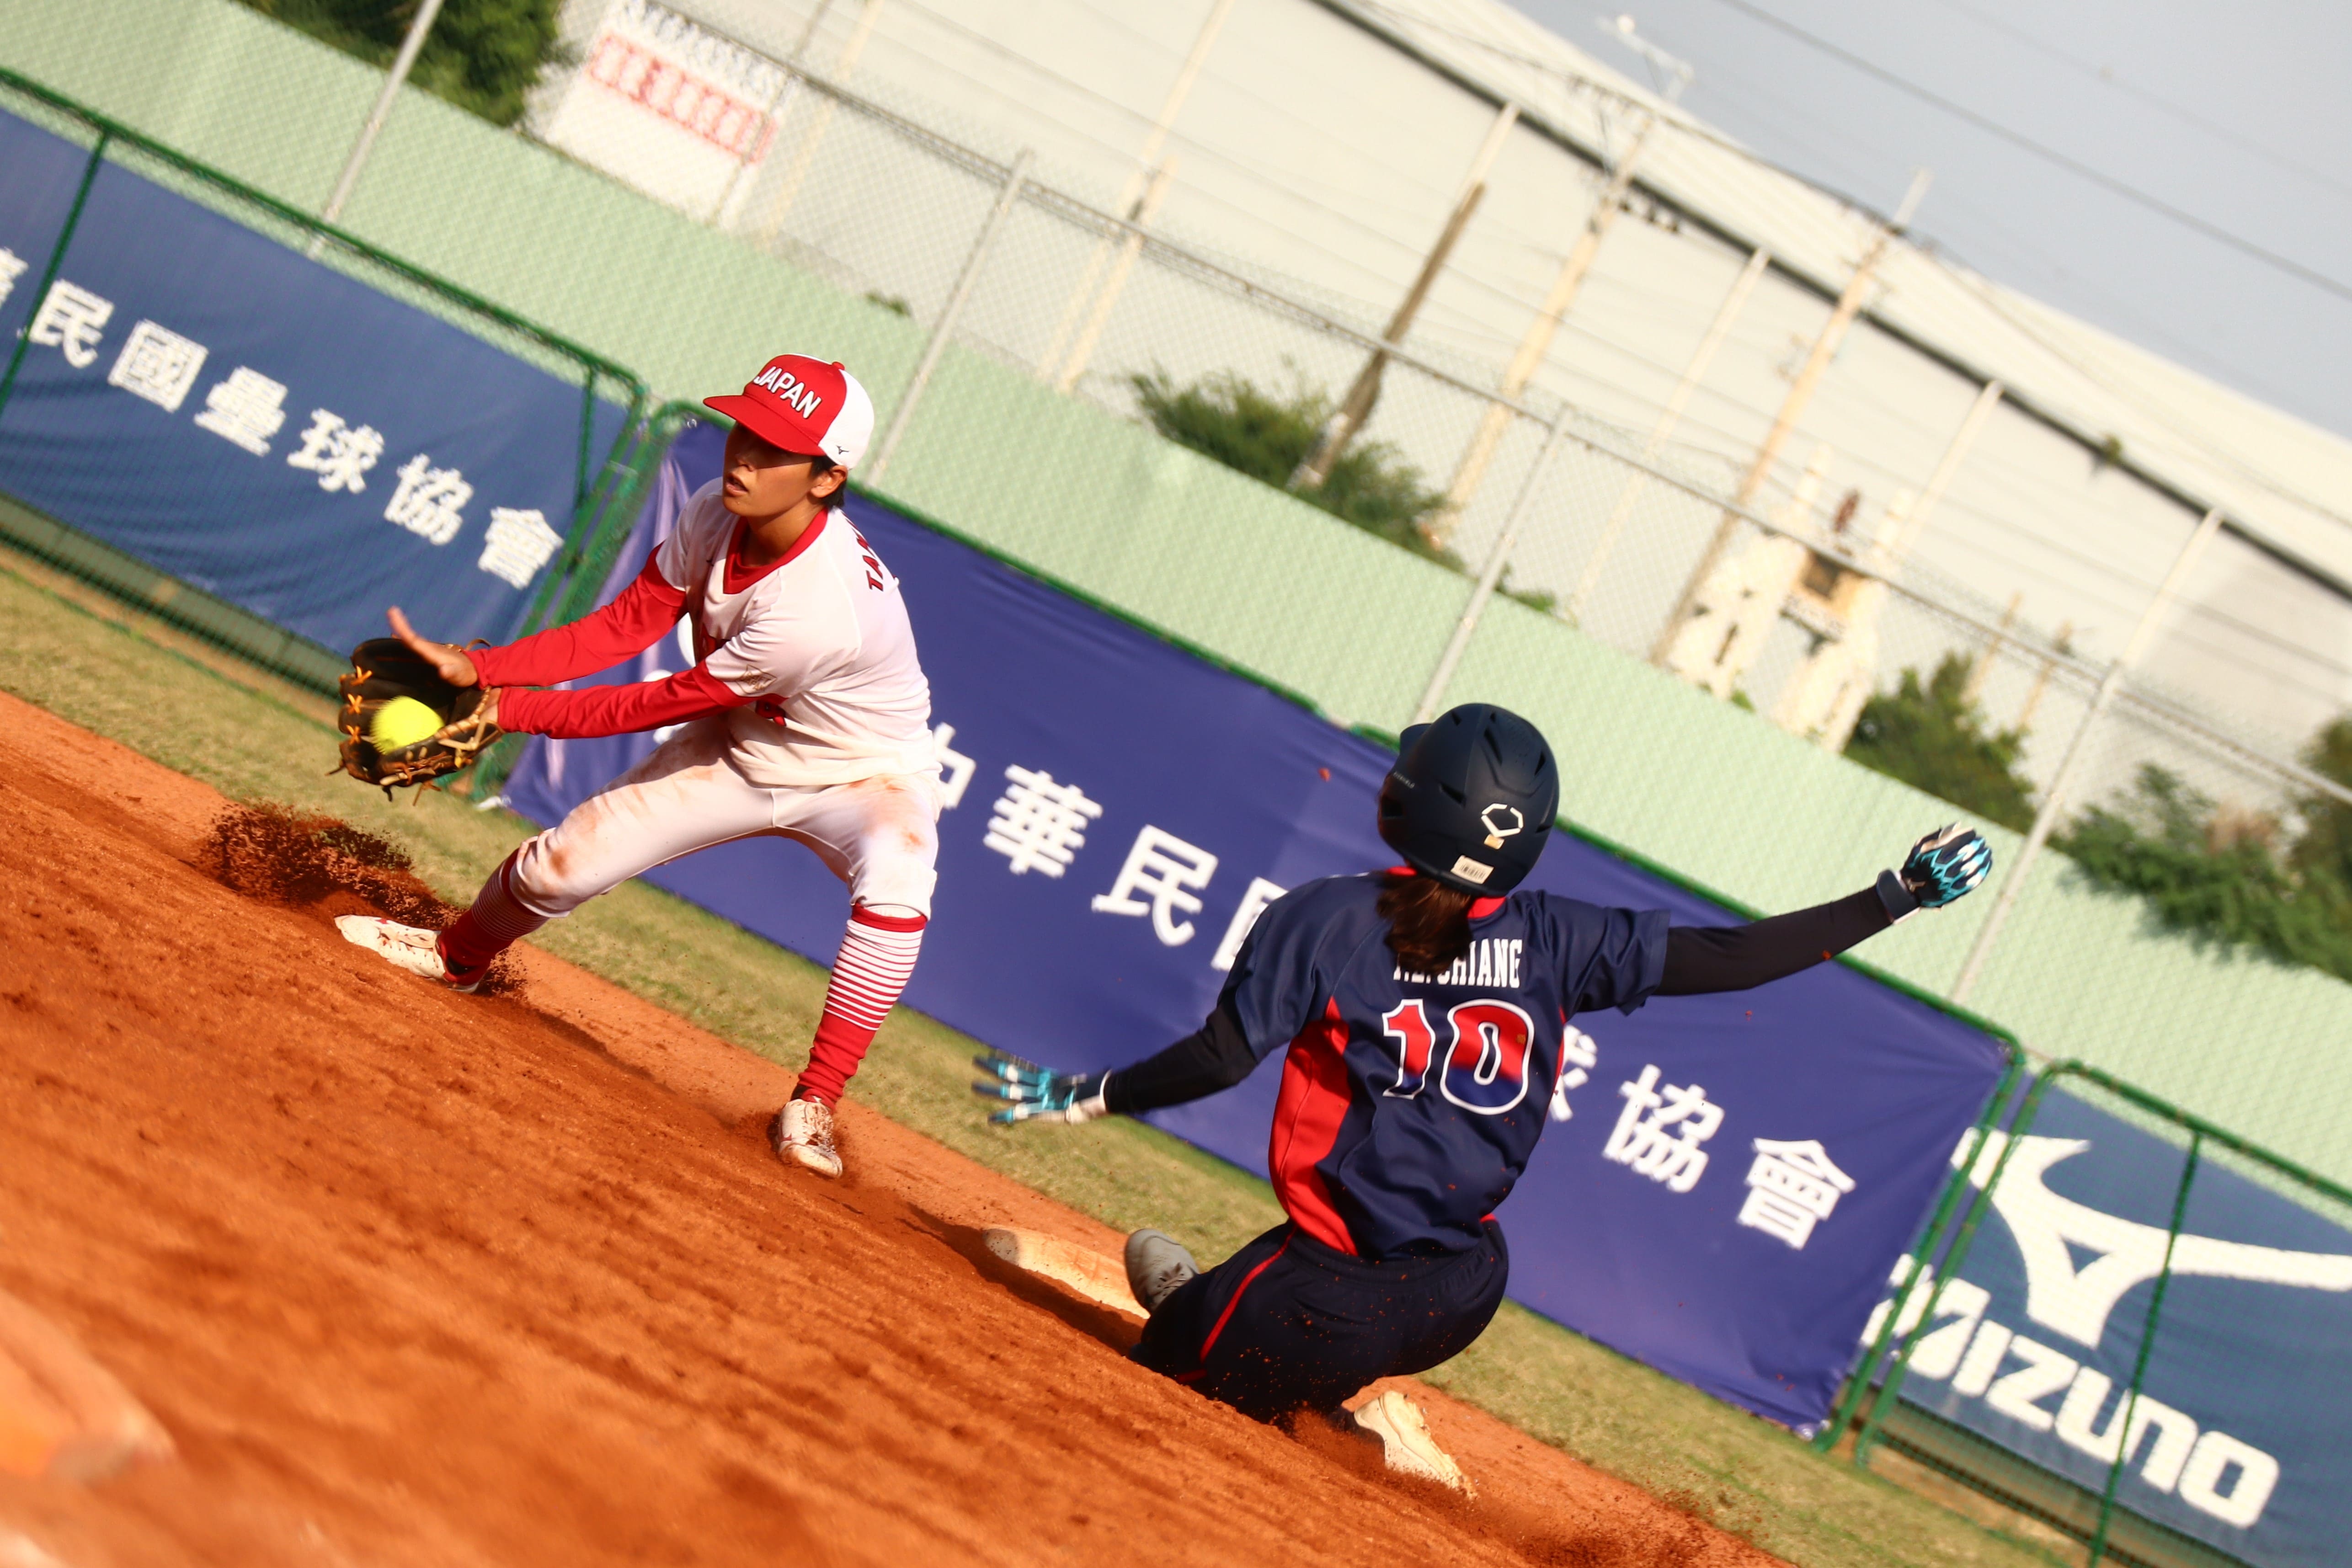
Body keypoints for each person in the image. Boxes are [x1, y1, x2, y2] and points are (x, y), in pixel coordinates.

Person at [974, 702, 1990, 1484]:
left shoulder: (1326, 918)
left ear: (1406, 807)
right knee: (1244, 1326)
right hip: (1465, 1283)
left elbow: (1219, 1059)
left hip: (1331, 1288)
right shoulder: (1553, 935)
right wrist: (1891, 895)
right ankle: (1267, 1345)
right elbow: (1731, 959)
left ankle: (1317, 1398)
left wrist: (1090, 1090)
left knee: (1161, 1374)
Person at [339, 354, 941, 1180]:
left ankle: (815, 1101)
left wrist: (509, 713)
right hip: (742, 738)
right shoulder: (711, 511)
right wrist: (483, 671)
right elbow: (621, 628)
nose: (744, 457)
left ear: (827, 477)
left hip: (863, 774)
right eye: (745, 430)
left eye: (775, 449)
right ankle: (457, 960)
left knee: (900, 883)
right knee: (562, 868)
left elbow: (655, 703)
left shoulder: (818, 605)